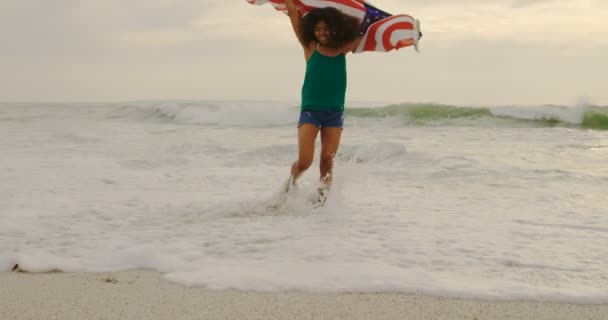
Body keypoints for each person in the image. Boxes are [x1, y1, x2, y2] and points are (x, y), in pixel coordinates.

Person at [284, 0, 362, 203]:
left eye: (326, 28)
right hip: (311, 111)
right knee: (305, 161)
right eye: (317, 29)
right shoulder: (310, 46)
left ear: (335, 29)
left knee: (327, 162)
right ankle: (291, 182)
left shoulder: (343, 50)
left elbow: (364, 30)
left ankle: (322, 201)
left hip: (334, 114)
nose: (321, 33)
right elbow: (294, 15)